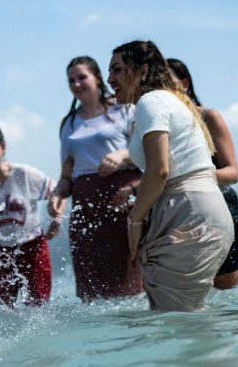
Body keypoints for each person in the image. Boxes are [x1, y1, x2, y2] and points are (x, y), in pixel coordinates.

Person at [107, 40, 233, 311]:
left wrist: (135, 222)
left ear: (141, 70)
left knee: (174, 323)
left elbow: (159, 170)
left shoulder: (150, 102)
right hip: (195, 209)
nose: (109, 80)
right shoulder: (167, 100)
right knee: (180, 322)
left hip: (186, 211)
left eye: (117, 70)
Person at [47, 56, 143, 301]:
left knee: (131, 287)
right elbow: (67, 176)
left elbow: (149, 154)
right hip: (85, 211)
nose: (76, 84)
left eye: (82, 77)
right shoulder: (69, 123)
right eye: (71, 80)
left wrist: (123, 155)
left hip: (123, 202)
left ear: (98, 78)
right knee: (92, 295)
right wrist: (58, 195)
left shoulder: (124, 109)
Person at [167, 58, 238, 289]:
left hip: (219, 206)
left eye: (168, 82)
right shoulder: (161, 126)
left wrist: (193, 179)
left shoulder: (209, 117)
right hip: (179, 212)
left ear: (185, 83)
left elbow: (232, 172)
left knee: (226, 293)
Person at [0, 123, 61, 305]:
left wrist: (57, 219)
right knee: (1, 308)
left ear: (3, 147)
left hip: (32, 246)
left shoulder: (23, 173)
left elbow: (57, 191)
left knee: (39, 305)